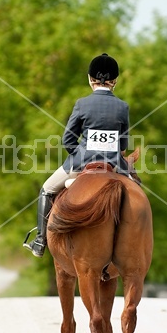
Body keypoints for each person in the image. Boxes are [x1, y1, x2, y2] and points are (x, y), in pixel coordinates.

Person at [23, 52, 130, 258]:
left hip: (82, 162)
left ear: (91, 79)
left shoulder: (82, 103)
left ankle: (40, 241)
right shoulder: (122, 107)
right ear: (114, 81)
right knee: (136, 192)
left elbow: (68, 140)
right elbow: (123, 144)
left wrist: (81, 154)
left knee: (46, 189)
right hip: (115, 163)